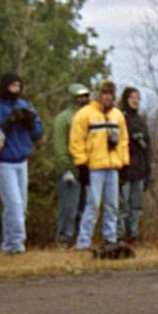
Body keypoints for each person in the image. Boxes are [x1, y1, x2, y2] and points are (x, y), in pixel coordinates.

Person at [69, 80, 129, 251]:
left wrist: (123, 163)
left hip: (112, 166)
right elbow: (76, 140)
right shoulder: (85, 114)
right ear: (98, 95)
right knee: (93, 204)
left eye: (110, 93)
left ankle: (110, 238)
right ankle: (83, 241)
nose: (107, 97)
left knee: (112, 205)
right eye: (104, 93)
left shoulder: (117, 116)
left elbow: (124, 141)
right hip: (94, 167)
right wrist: (81, 164)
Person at [0, 72, 43, 255]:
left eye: (18, 86)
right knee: (14, 203)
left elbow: (37, 134)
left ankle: (8, 244)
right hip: (4, 162)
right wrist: (7, 125)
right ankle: (18, 244)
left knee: (20, 206)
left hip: (22, 161)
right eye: (12, 86)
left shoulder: (25, 106)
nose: (16, 89)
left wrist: (31, 123)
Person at [53, 83, 91, 247]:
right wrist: (65, 169)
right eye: (80, 96)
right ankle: (63, 241)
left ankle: (80, 241)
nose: (83, 99)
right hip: (70, 171)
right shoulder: (63, 118)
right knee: (68, 209)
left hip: (87, 170)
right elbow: (59, 145)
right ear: (72, 97)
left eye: (85, 96)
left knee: (85, 208)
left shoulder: (90, 116)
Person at [117, 86, 151, 243]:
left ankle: (133, 234)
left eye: (138, 98)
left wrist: (148, 172)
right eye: (132, 98)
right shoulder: (120, 118)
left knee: (136, 207)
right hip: (124, 169)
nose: (136, 101)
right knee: (123, 206)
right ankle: (121, 235)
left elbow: (148, 148)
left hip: (139, 170)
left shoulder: (141, 121)